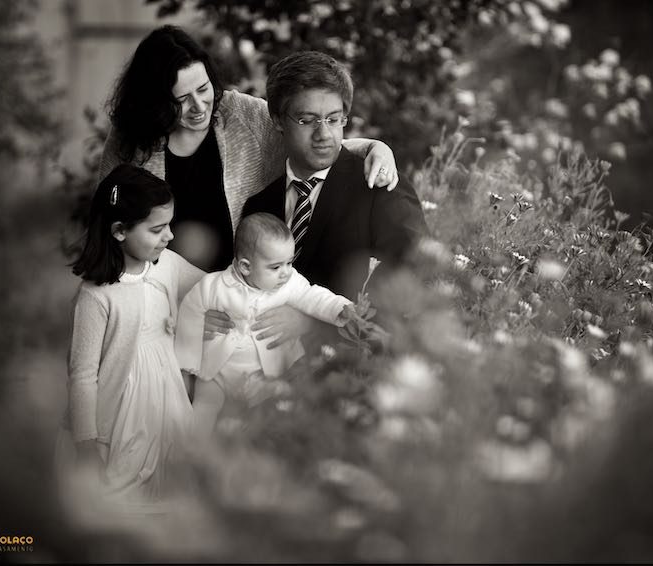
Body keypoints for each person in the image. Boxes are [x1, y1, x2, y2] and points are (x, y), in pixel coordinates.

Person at [98, 24, 400, 275]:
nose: (199, 107)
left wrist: (374, 147)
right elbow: (108, 220)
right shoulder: (131, 139)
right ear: (154, 102)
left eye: (203, 89)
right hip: (157, 290)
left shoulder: (242, 114)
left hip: (237, 294)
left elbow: (309, 135)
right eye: (181, 99)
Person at [242, 50, 428, 335]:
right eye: (307, 120)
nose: (324, 134)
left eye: (333, 119)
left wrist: (313, 326)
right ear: (278, 120)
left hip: (349, 365)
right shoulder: (259, 206)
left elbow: (414, 283)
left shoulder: (380, 188)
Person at [57, 163, 204, 514]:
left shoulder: (166, 264)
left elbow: (212, 288)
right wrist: (85, 445)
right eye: (157, 229)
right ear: (120, 231)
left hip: (167, 399)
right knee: (119, 497)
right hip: (122, 409)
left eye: (169, 225)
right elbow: (82, 375)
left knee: (176, 490)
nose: (169, 236)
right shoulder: (97, 296)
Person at [175, 213, 354, 436]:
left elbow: (313, 296)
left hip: (265, 371)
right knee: (204, 407)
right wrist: (188, 362)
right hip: (218, 370)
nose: (286, 272)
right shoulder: (214, 286)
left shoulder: (290, 283)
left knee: (265, 413)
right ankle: (191, 450)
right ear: (245, 267)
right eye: (276, 267)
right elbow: (191, 312)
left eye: (290, 263)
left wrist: (340, 308)